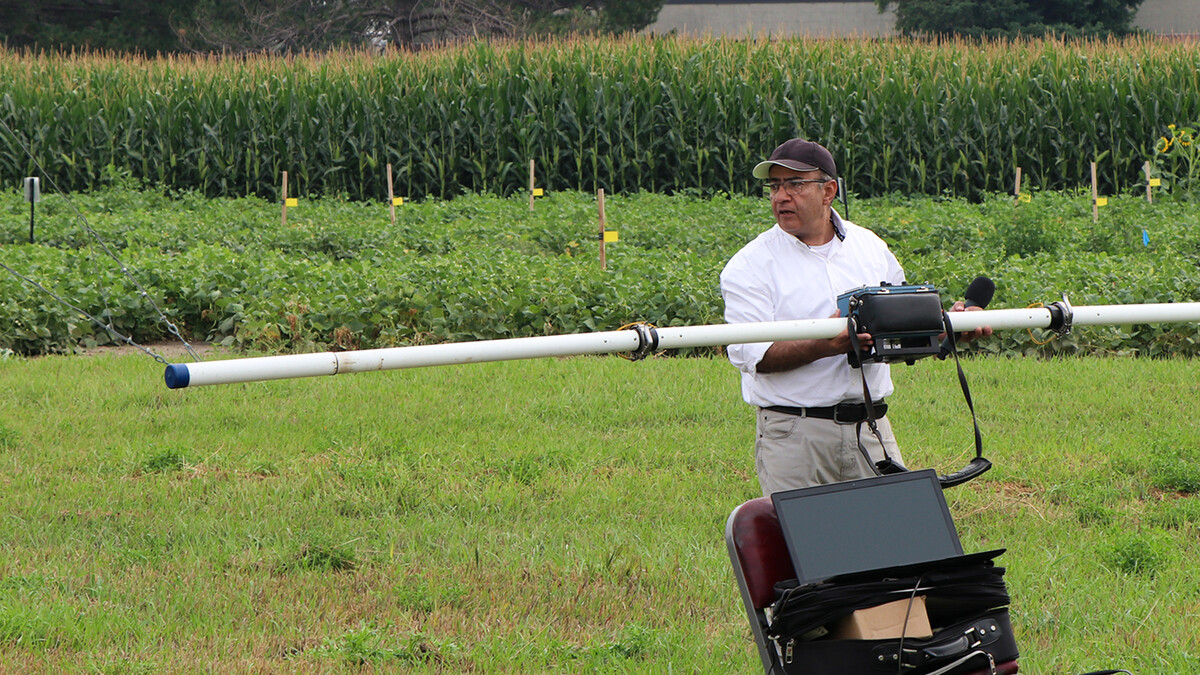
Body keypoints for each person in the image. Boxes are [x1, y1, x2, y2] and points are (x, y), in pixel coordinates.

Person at [719, 138, 990, 496]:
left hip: (872, 428)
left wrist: (946, 329)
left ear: (828, 191)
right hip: (795, 436)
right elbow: (755, 357)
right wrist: (827, 346)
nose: (781, 197)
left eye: (795, 184)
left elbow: (901, 329)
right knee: (806, 534)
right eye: (774, 186)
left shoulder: (870, 248)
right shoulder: (749, 265)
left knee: (894, 532)